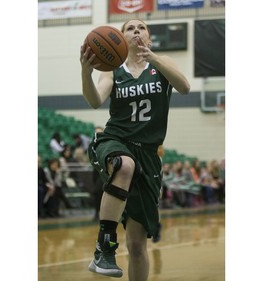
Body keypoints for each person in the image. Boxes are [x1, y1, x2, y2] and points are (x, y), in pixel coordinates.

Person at [80, 19, 190, 280]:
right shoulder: (112, 70)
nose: (136, 31)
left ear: (149, 37)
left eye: (141, 27)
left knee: (138, 246)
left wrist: (153, 58)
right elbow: (95, 100)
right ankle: (104, 248)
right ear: (120, 39)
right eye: (130, 28)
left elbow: (185, 87)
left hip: (148, 154)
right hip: (116, 141)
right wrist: (85, 73)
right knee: (124, 165)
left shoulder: (161, 63)